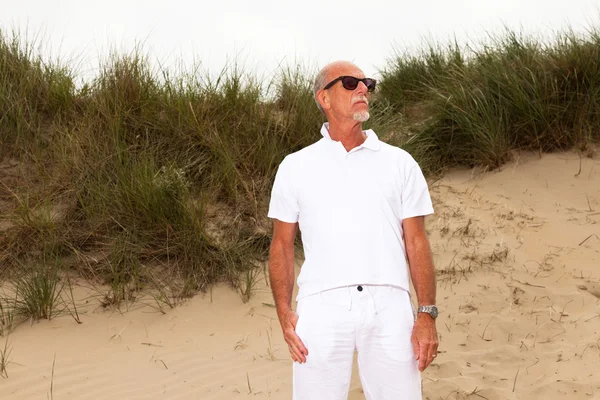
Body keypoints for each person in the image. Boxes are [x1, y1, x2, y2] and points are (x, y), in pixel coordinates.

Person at [267, 60, 438, 400]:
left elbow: (416, 242)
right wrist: (285, 313)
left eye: (367, 84)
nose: (363, 89)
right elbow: (282, 245)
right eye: (349, 83)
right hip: (321, 306)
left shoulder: (400, 162)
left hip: (390, 304)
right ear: (324, 99)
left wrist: (426, 313)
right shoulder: (295, 166)